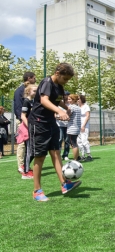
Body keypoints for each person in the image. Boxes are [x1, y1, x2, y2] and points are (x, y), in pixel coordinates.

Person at [28, 63, 81, 202]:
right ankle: (37, 191)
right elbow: (44, 100)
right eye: (65, 79)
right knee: (40, 156)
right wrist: (59, 111)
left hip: (51, 122)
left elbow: (56, 101)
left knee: (56, 152)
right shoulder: (47, 82)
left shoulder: (60, 86)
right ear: (57, 73)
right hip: (38, 122)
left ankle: (65, 184)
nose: (66, 82)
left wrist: (66, 107)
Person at [13, 72, 36, 172]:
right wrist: (23, 120)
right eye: (34, 78)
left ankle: (26, 165)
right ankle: (21, 166)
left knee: (29, 144)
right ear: (29, 78)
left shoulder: (32, 93)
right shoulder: (19, 91)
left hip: (29, 120)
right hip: (23, 121)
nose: (35, 79)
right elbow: (18, 107)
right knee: (22, 144)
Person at [20, 84, 38, 179]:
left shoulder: (34, 101)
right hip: (28, 128)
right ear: (28, 91)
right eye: (34, 91)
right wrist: (29, 126)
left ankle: (26, 168)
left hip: (34, 127)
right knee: (29, 150)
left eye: (37, 90)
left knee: (33, 150)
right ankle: (25, 172)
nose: (36, 92)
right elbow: (23, 115)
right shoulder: (26, 101)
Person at [66, 94, 82, 161]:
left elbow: (67, 116)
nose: (68, 100)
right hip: (77, 128)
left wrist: (57, 117)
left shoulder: (71, 107)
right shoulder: (78, 107)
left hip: (72, 128)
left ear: (74, 100)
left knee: (73, 144)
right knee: (74, 143)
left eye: (69, 99)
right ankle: (77, 157)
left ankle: (75, 159)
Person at [77, 95, 92, 161]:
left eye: (78, 99)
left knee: (84, 141)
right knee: (79, 142)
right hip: (77, 126)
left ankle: (89, 155)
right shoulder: (77, 107)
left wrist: (83, 126)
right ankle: (82, 155)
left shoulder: (86, 106)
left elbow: (87, 116)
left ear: (81, 99)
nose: (77, 100)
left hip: (84, 126)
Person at [57, 91, 70, 161]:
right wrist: (58, 117)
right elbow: (55, 113)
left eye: (67, 95)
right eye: (65, 95)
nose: (66, 96)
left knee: (67, 140)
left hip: (68, 125)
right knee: (59, 139)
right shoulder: (59, 104)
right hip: (59, 124)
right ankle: (58, 154)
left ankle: (65, 155)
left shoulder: (70, 105)